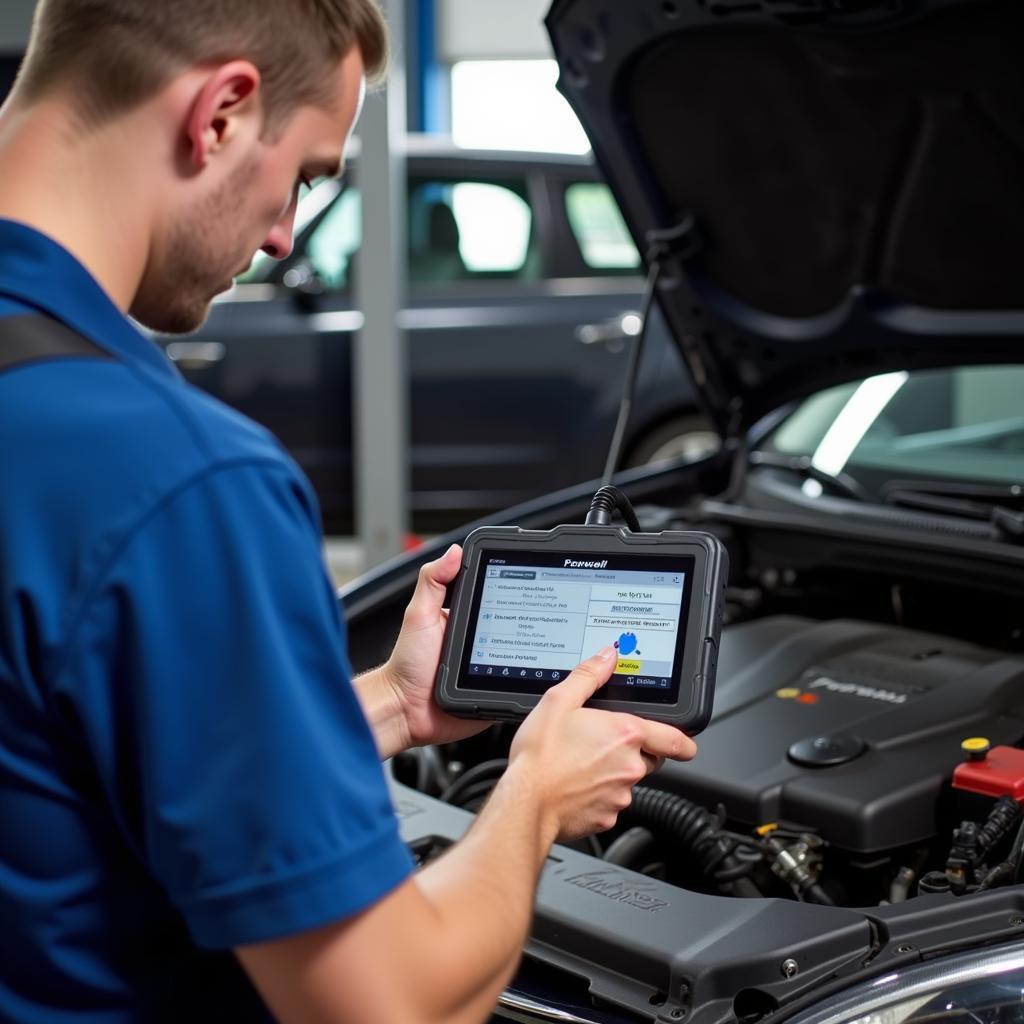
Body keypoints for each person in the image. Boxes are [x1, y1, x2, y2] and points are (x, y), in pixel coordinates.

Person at [0, 2, 697, 1021]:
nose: (285, 234)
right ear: (223, 113)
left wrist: (385, 707)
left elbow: (62, 757)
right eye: (308, 176)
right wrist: (537, 793)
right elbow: (387, 1006)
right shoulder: (176, 479)